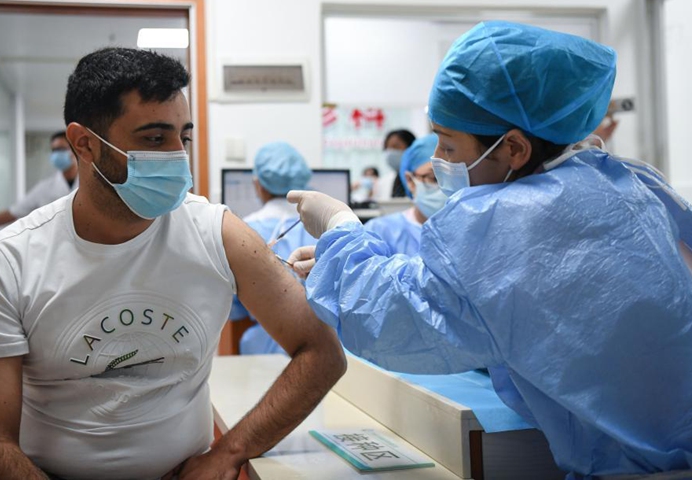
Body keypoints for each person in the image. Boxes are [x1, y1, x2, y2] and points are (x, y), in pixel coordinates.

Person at [287, 21, 692, 479]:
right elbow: (469, 293)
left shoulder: (517, 218)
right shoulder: (624, 181)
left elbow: (400, 318)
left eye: (449, 144)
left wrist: (340, 228)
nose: (439, 162)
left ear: (514, 148)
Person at [0, 48, 345, 480]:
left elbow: (322, 352)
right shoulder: (7, 261)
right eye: (155, 139)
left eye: (184, 137)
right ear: (84, 144)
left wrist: (228, 452)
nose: (179, 157)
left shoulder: (217, 233)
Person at [228, 141, 317, 355]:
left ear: (259, 184)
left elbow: (232, 305)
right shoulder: (320, 226)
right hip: (326, 344)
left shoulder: (241, 230)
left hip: (264, 349)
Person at [363, 134, 445, 256]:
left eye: (453, 180)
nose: (446, 188)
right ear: (410, 181)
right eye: (434, 178)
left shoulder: (472, 232)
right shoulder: (380, 231)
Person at [0, 131, 79, 227]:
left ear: (75, 150)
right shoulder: (44, 188)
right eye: (54, 150)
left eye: (61, 149)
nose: (56, 154)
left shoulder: (91, 184)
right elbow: (15, 211)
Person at [374, 129, 416, 200]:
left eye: (396, 147)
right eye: (387, 148)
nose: (390, 152)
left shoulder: (423, 178)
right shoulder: (383, 182)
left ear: (411, 148)